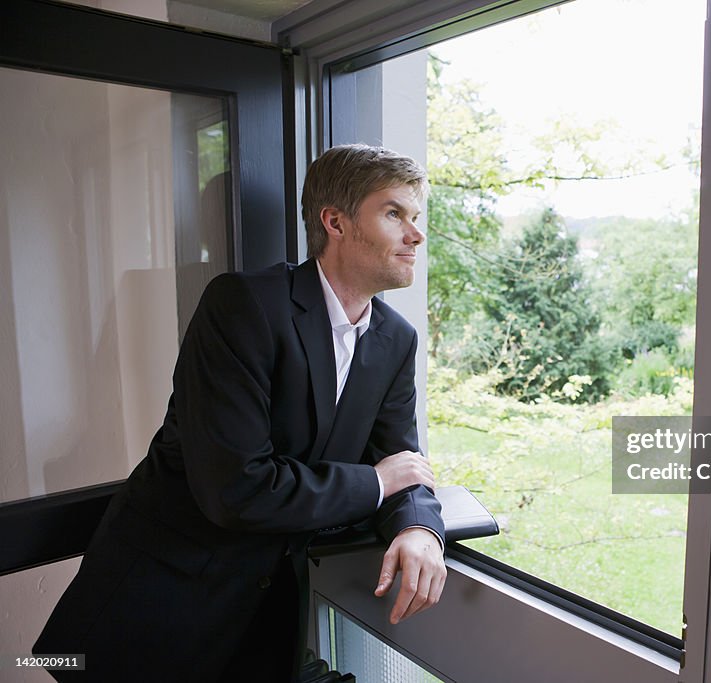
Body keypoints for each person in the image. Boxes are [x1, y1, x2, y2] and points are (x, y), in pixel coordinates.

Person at [34, 144, 447, 682]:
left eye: (416, 218)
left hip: (263, 621)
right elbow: (239, 488)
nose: (415, 234)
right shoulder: (243, 306)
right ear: (335, 222)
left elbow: (404, 464)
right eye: (395, 214)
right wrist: (373, 483)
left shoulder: (396, 339)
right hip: (158, 612)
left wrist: (420, 530)